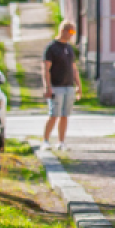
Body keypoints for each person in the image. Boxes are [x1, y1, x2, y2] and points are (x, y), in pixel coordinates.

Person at [42, 21, 82, 150]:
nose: (72, 34)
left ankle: (61, 142)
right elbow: (46, 69)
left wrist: (78, 85)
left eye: (74, 32)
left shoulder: (69, 48)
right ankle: (46, 141)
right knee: (54, 114)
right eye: (71, 32)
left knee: (65, 115)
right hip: (56, 86)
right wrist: (47, 87)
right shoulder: (52, 47)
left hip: (68, 87)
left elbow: (74, 68)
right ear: (63, 30)